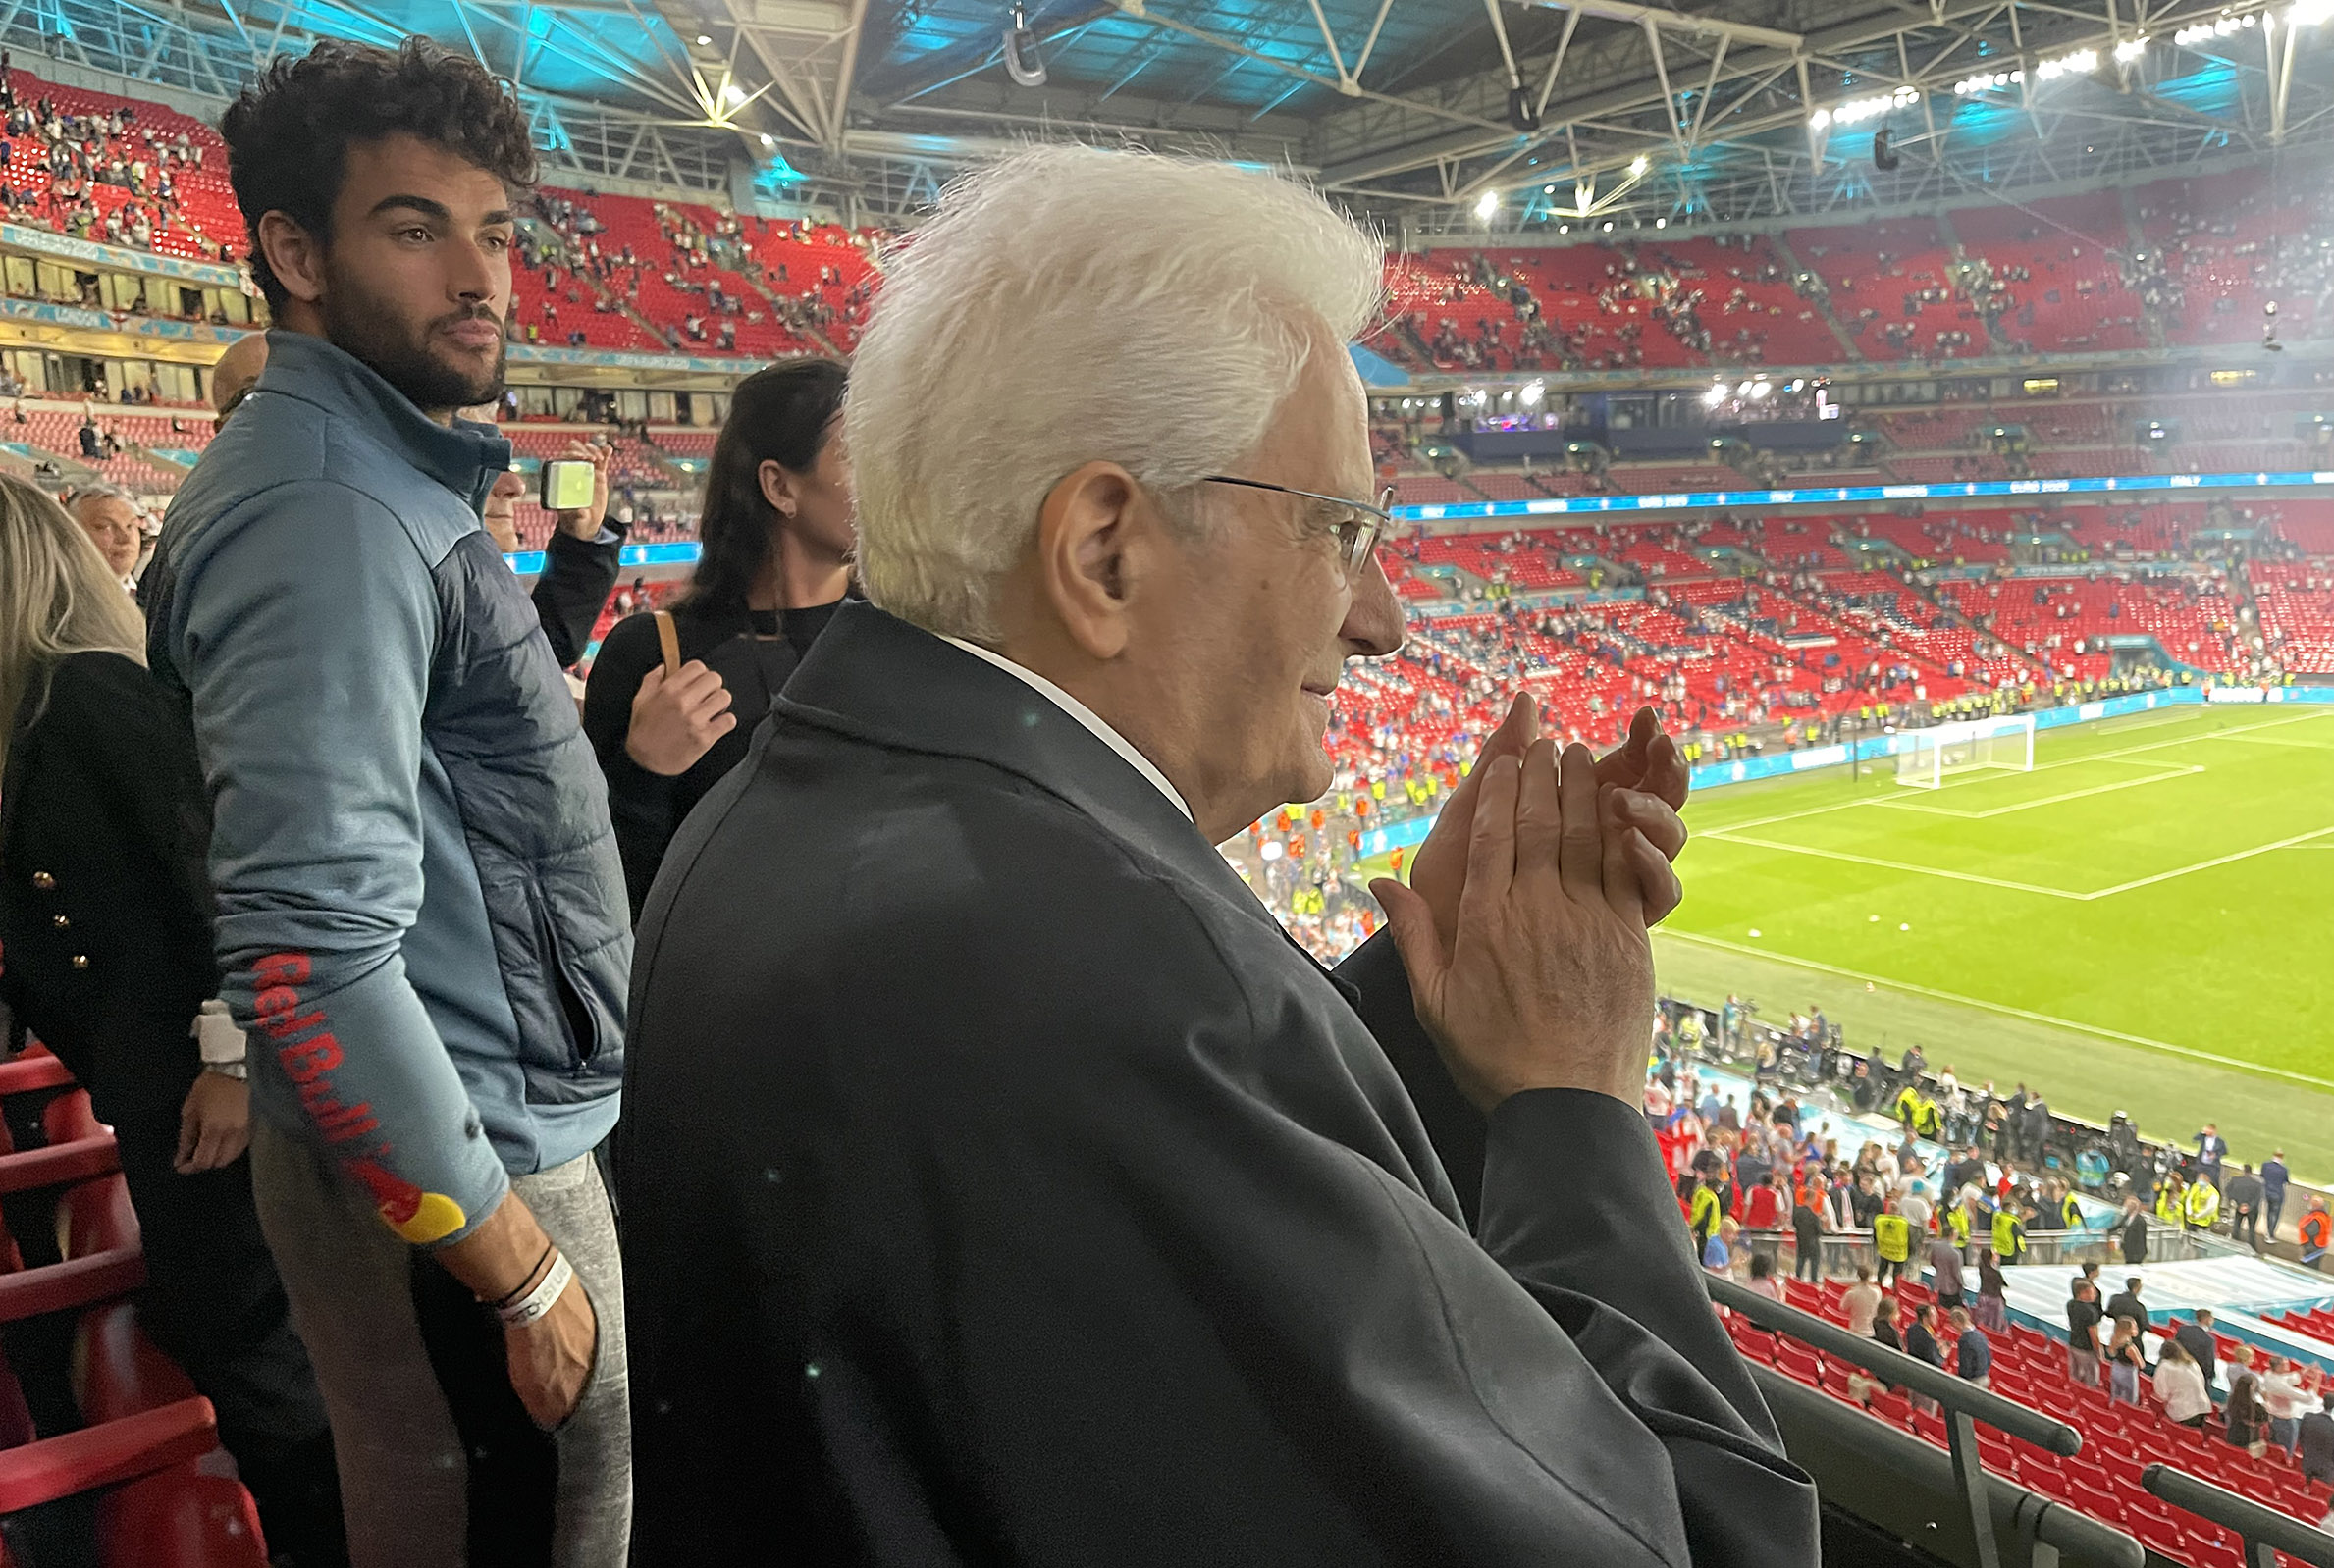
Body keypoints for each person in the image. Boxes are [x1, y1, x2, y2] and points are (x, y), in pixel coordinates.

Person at [618, 147, 1818, 1564]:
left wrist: (1415, 999)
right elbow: (1697, 1542)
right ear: (1104, 551)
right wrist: (1572, 1108)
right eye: (1339, 531)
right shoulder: (1100, 982)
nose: (1381, 620)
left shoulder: (801, 799)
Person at [144, 40, 630, 1564]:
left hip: (461, 1118)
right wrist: (515, 1265)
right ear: (296, 253)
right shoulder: (328, 505)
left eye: (494, 232)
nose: (480, 276)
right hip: (466, 1147)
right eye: (417, 228)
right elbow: (307, 953)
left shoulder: (361, 476)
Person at [0, 475, 345, 1563]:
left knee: (256, 1352)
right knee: (233, 1339)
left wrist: (235, 1058)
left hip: (209, 1083)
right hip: (155, 1083)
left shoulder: (90, 694)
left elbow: (218, 881)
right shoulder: (37, 707)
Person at [583, 359, 852, 917]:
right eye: (857, 453)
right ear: (779, 486)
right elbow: (602, 898)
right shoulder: (652, 656)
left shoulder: (909, 638)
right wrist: (641, 775)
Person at [213, 333, 622, 672]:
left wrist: (580, 543)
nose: (513, 485)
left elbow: (522, 665)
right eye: (264, 395)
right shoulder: (329, 564)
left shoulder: (418, 566)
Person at [61, 482, 142, 590]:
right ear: (73, 533)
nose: (125, 538)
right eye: (104, 526)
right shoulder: (55, 594)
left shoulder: (150, 593)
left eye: (130, 526)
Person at [2153, 1340, 2212, 1427]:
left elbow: (2161, 1394)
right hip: (2203, 1407)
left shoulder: (2165, 1366)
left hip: (2183, 1411)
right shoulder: (2193, 1363)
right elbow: (2202, 1382)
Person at [2260, 1355, 2309, 1452]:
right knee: (2286, 1450)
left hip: (2272, 1416)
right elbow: (2307, 1398)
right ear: (2278, 1367)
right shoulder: (2281, 1385)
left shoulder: (2268, 1374)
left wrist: (2303, 1373)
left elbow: (2292, 1378)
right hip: (2284, 1420)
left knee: (2274, 1446)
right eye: (2285, 1364)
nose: (2288, 1366)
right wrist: (2316, 1382)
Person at [2066, 1279, 2103, 1387]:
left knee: (2075, 1374)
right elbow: (2093, 1335)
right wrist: (2099, 1351)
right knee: (2091, 1379)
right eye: (2092, 1292)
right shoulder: (2090, 1312)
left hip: (2073, 1344)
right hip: (2086, 1350)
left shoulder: (2070, 1304)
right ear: (2083, 1293)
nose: (2095, 1295)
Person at [2105, 1317, 2148, 1406]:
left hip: (2116, 1368)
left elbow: (2111, 1353)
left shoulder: (2114, 1340)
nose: (2137, 1329)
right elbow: (2141, 1364)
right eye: (2134, 1327)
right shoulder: (2130, 1347)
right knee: (2130, 1399)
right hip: (2128, 1373)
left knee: (2115, 1394)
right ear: (2127, 1330)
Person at [2225, 1372, 2269, 1456]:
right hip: (2247, 1436)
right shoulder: (2254, 1406)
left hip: (2233, 1432)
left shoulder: (2232, 1399)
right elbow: (2264, 1418)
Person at [2174, 1310, 2219, 1391]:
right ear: (2207, 1319)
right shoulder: (2208, 1340)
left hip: (2177, 1368)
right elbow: (2208, 1366)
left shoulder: (2183, 1330)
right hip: (2194, 1377)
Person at [2225, 1163, 2264, 1249]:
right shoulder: (2257, 1184)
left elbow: (2228, 1191)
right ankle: (2251, 1248)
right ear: (2251, 1172)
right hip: (2252, 1210)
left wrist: (2237, 1203)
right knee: (2251, 1230)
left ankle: (2233, 1245)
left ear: (2243, 1171)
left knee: (2236, 1227)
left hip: (2239, 1208)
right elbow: (2259, 1198)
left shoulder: (2235, 1180)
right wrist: (2249, 1206)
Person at [1790, 1182, 1825, 1282]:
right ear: (1812, 1198)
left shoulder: (1797, 1212)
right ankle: (1813, 1283)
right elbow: (1819, 1231)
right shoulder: (1814, 1216)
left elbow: (1794, 1223)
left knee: (1800, 1262)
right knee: (1814, 1264)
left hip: (1801, 1241)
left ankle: (1797, 1281)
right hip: (1813, 1243)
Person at [1949, 1307, 1990, 1388]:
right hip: (1984, 1377)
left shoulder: (1964, 1341)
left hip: (1973, 1381)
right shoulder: (1981, 1335)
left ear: (1957, 1322)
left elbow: (1965, 1367)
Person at [1972, 1247, 2008, 1333]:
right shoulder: (1995, 1273)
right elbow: (2003, 1284)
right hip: (1994, 1300)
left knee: (1983, 1321)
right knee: (1995, 1324)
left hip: (1983, 1296)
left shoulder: (1982, 1268)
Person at [1843, 1265, 1883, 1337]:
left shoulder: (1851, 1293)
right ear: (1870, 1276)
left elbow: (1843, 1307)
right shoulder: (1877, 1292)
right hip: (1871, 1331)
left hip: (1854, 1331)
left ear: (1857, 1276)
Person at [1927, 1232, 1963, 1310]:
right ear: (1952, 1235)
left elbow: (1931, 1262)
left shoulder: (1934, 1247)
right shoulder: (1955, 1253)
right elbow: (1957, 1274)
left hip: (1938, 1285)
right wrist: (1962, 1285)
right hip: (1952, 1289)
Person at [2261, 1150, 2290, 1239]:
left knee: (2269, 1212)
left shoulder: (2265, 1165)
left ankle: (2268, 1231)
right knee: (2275, 1214)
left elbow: (2262, 1176)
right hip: (2277, 1194)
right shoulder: (2283, 1169)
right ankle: (2270, 1233)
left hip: (2267, 1192)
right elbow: (2286, 1181)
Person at [2118, 1195, 2149, 1265]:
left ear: (2132, 1207)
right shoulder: (2127, 1218)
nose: (2125, 1207)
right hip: (2127, 1250)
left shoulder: (2139, 1221)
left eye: (2127, 1205)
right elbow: (2119, 1225)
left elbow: (2140, 1239)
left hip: (2136, 1253)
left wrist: (2136, 1254)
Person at [2194, 1123, 2227, 1187]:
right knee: (2198, 1182)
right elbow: (2194, 1139)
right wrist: (2201, 1132)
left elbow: (2224, 1151)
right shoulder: (2203, 1137)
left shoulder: (2220, 1141)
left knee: (2213, 1184)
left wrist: (2215, 1155)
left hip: (2212, 1166)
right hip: (2202, 1164)